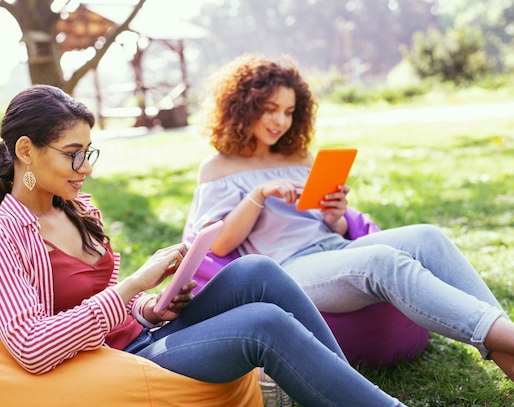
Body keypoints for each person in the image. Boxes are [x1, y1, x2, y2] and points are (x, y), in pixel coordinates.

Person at [0, 84, 407, 406]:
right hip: (115, 362)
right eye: (72, 153)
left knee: (257, 271)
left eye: (89, 152)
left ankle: (344, 387)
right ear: (26, 150)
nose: (86, 168)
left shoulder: (77, 209)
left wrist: (152, 306)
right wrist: (132, 286)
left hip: (144, 333)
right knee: (262, 324)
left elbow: (110, 306)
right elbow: (31, 346)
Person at [191, 54, 514, 381]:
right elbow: (219, 244)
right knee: (382, 261)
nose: (281, 121)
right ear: (244, 106)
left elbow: (327, 226)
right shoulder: (218, 167)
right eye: (271, 109)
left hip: (332, 248)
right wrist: (257, 195)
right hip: (287, 270)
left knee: (427, 236)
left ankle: (508, 356)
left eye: (289, 112)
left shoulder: (300, 156)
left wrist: (336, 216)